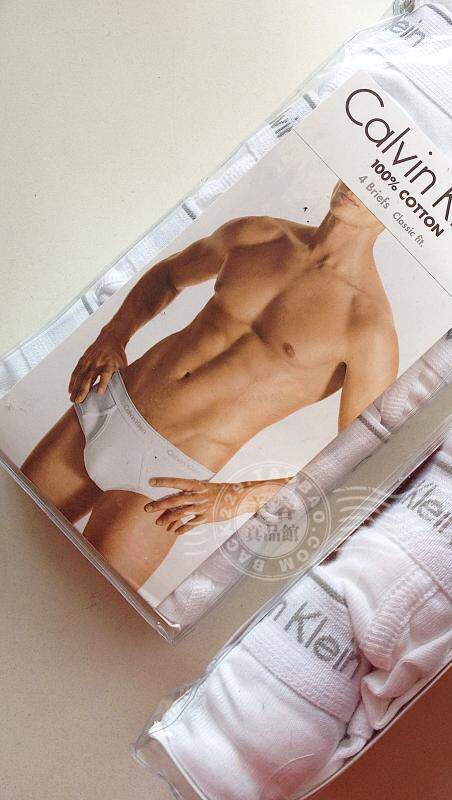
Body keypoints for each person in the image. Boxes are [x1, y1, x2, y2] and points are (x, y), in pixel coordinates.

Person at [22, 181, 398, 588]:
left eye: (380, 188)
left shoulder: (369, 326)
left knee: (81, 604)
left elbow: (364, 461)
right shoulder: (261, 233)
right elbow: (169, 275)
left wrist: (238, 498)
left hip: (168, 478)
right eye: (362, 176)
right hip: (105, 407)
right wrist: (113, 335)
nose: (360, 188)